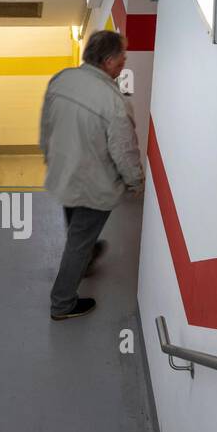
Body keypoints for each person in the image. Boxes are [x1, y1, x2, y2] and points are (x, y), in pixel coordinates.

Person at [39, 29, 145, 320]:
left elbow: (46, 125)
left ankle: (85, 258)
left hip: (64, 174)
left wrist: (49, 156)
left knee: (77, 227)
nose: (125, 59)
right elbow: (124, 150)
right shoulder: (114, 103)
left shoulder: (62, 79)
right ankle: (62, 303)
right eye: (122, 55)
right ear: (109, 61)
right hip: (93, 185)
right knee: (79, 240)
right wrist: (135, 181)